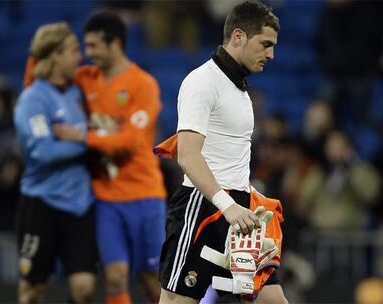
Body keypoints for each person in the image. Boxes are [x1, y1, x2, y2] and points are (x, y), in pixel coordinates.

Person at [24, 11, 167, 304]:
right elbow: (37, 78)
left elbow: (129, 142)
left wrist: (83, 135)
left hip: (145, 194)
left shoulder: (143, 85)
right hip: (104, 198)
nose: (86, 54)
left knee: (152, 280)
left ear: (114, 44)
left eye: (92, 46)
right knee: (114, 277)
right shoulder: (85, 79)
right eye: (84, 47)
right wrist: (40, 47)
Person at [155, 1, 288, 303]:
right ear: (238, 37)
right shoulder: (202, 82)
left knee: (275, 301)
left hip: (240, 212)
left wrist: (246, 200)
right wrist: (228, 206)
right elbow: (188, 156)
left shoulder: (239, 88)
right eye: (265, 44)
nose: (271, 54)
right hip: (203, 208)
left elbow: (228, 157)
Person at [14, 23, 98, 303]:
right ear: (55, 56)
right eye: (73, 51)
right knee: (32, 289)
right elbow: (42, 153)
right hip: (42, 203)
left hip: (80, 204)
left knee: (85, 288)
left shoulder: (78, 94)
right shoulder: (32, 99)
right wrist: (88, 141)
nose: (80, 57)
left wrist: (80, 137)